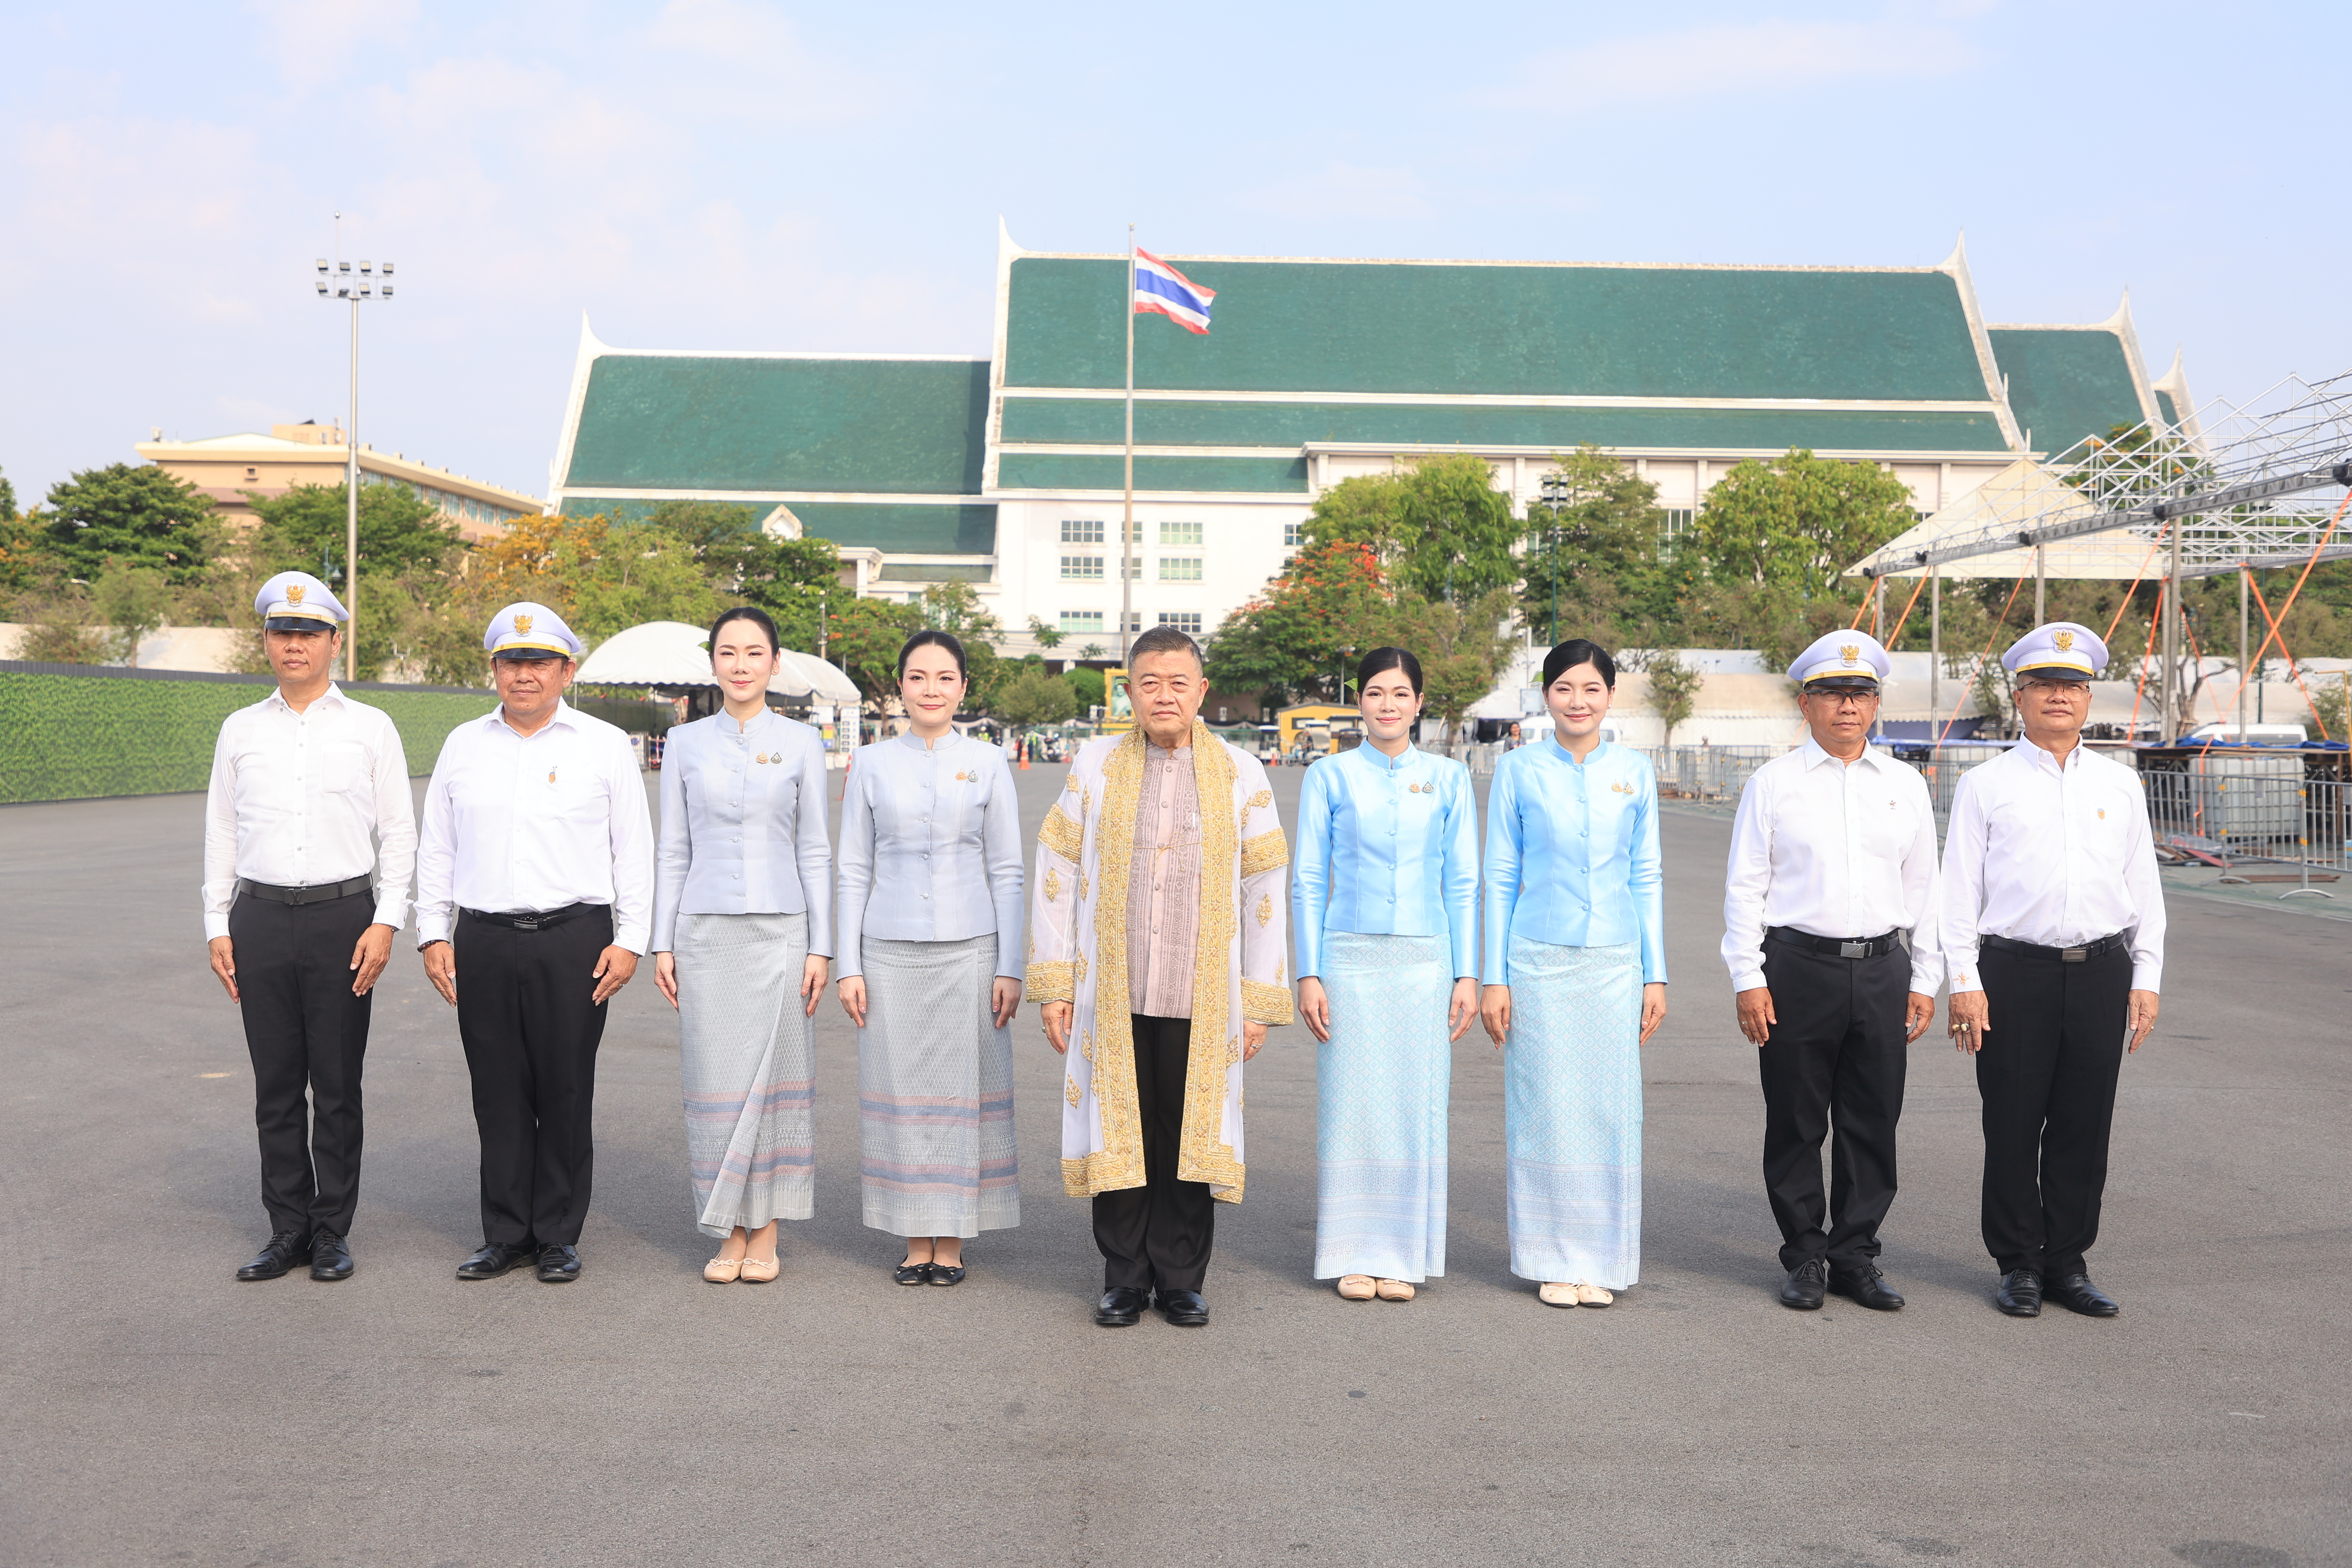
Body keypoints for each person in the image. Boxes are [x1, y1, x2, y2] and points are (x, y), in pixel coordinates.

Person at [1029, 624, 1292, 1328]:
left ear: (1202, 691)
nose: (1164, 695)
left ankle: (1180, 1277)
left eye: (1179, 683)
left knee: (1186, 1132)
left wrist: (1258, 999)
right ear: (1130, 692)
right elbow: (1057, 872)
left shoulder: (1241, 772)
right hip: (1112, 987)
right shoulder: (1095, 764)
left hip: (1202, 992)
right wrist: (1054, 984)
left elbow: (1264, 889)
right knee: (1121, 1127)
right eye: (1150, 683)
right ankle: (1123, 1276)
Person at [414, 602, 654, 1285]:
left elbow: (634, 848)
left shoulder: (603, 744)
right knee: (496, 1089)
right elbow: (438, 846)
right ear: (494, 670)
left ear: (566, 671)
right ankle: (504, 1233)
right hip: (484, 937)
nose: (525, 674)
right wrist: (432, 930)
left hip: (575, 937)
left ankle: (556, 1234)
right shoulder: (464, 744)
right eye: (511, 662)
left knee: (565, 1086)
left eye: (539, 662)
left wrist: (631, 938)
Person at [1943, 622, 2164, 1319]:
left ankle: (2067, 1261)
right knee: (2012, 1121)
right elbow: (1957, 894)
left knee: (2083, 1123)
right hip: (2014, 973)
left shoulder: (2120, 784)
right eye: (2044, 684)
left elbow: (2144, 888)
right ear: (2020, 696)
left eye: (2072, 685)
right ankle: (2018, 1263)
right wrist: (1964, 982)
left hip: (2101, 970)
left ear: (2089, 698)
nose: (2059, 696)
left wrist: (2147, 975)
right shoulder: (1985, 785)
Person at [202, 570, 416, 1283]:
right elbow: (223, 829)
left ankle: (331, 1231)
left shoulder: (370, 727)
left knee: (337, 1083)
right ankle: (286, 1228)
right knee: (275, 1085)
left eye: (309, 633)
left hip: (343, 919)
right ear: (266, 640)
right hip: (259, 917)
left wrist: (386, 921)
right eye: (282, 632)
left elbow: (399, 832)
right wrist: (217, 921)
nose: (294, 644)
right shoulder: (240, 729)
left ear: (334, 641)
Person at [1721, 631, 1939, 1313]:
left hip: (1881, 967)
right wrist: (1747, 977)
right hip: (1798, 967)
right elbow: (1745, 887)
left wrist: (1926, 978)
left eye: (1861, 694)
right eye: (1833, 694)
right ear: (1806, 703)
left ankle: (1855, 1255)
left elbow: (1926, 888)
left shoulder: (1905, 785)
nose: (1848, 707)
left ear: (1875, 704)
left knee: (1872, 1119)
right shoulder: (1774, 784)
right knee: (1796, 1118)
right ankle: (1806, 1255)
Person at [1479, 639, 1666, 1308]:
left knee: (1609, 1111)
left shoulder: (1634, 771)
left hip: (1615, 964)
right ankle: (1551, 1258)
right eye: (1564, 688)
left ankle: (1602, 1259)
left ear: (1610, 696)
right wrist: (1494, 976)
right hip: (1537, 961)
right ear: (1545, 696)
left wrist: (1655, 974)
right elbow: (1501, 874)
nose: (1578, 701)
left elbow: (1646, 874)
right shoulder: (1518, 770)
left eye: (1591, 688)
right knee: (1545, 1108)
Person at [835, 631, 1024, 1285]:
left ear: (963, 688)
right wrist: (848, 964)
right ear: (901, 687)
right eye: (918, 677)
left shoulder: (989, 762)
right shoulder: (871, 762)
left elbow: (1007, 869)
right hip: (888, 952)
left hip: (971, 950)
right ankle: (918, 1239)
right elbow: (852, 868)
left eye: (945, 677)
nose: (932, 689)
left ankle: (954, 1238)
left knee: (960, 1096)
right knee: (903, 1094)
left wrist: (1010, 964)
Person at [650, 607, 832, 1285]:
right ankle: (727, 1229)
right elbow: (673, 848)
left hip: (782, 930)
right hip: (704, 932)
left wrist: (821, 947)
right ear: (714, 663)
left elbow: (815, 848)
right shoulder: (685, 742)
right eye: (728, 652)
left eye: (755, 652)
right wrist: (663, 942)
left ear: (774, 663)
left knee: (775, 1084)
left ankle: (767, 1232)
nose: (741, 664)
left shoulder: (803, 742)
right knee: (715, 1082)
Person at [1293, 647, 1478, 1302]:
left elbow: (1463, 881)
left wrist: (1468, 973)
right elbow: (1308, 878)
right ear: (1360, 701)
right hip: (1349, 960)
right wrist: (1308, 972)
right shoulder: (1330, 776)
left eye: (1401, 694)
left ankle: (1402, 1254)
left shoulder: (1449, 778)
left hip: (1426, 963)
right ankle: (1352, 1250)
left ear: (1419, 703)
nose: (1388, 705)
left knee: (1414, 1105)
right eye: (1375, 693)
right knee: (1352, 1104)